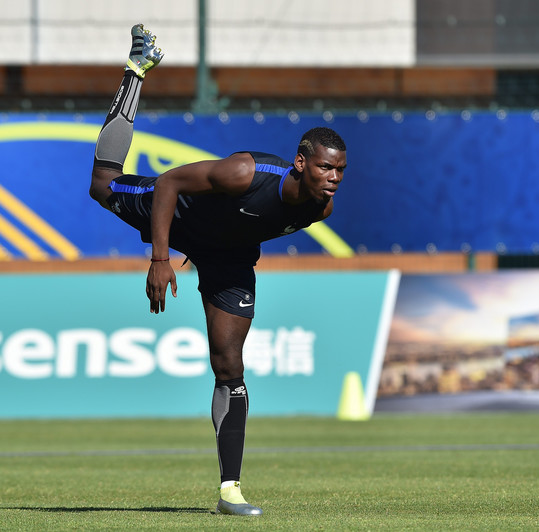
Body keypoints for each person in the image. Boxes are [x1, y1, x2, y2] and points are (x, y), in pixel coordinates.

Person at [89, 24, 347, 516]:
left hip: (229, 258)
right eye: (324, 169)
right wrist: (161, 259)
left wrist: (224, 253)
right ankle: (137, 69)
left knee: (229, 366)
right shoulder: (245, 173)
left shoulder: (320, 209)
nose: (333, 179)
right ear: (300, 163)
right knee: (102, 185)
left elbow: (256, 228)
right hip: (179, 216)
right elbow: (168, 184)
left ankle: (231, 489)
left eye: (339, 171)